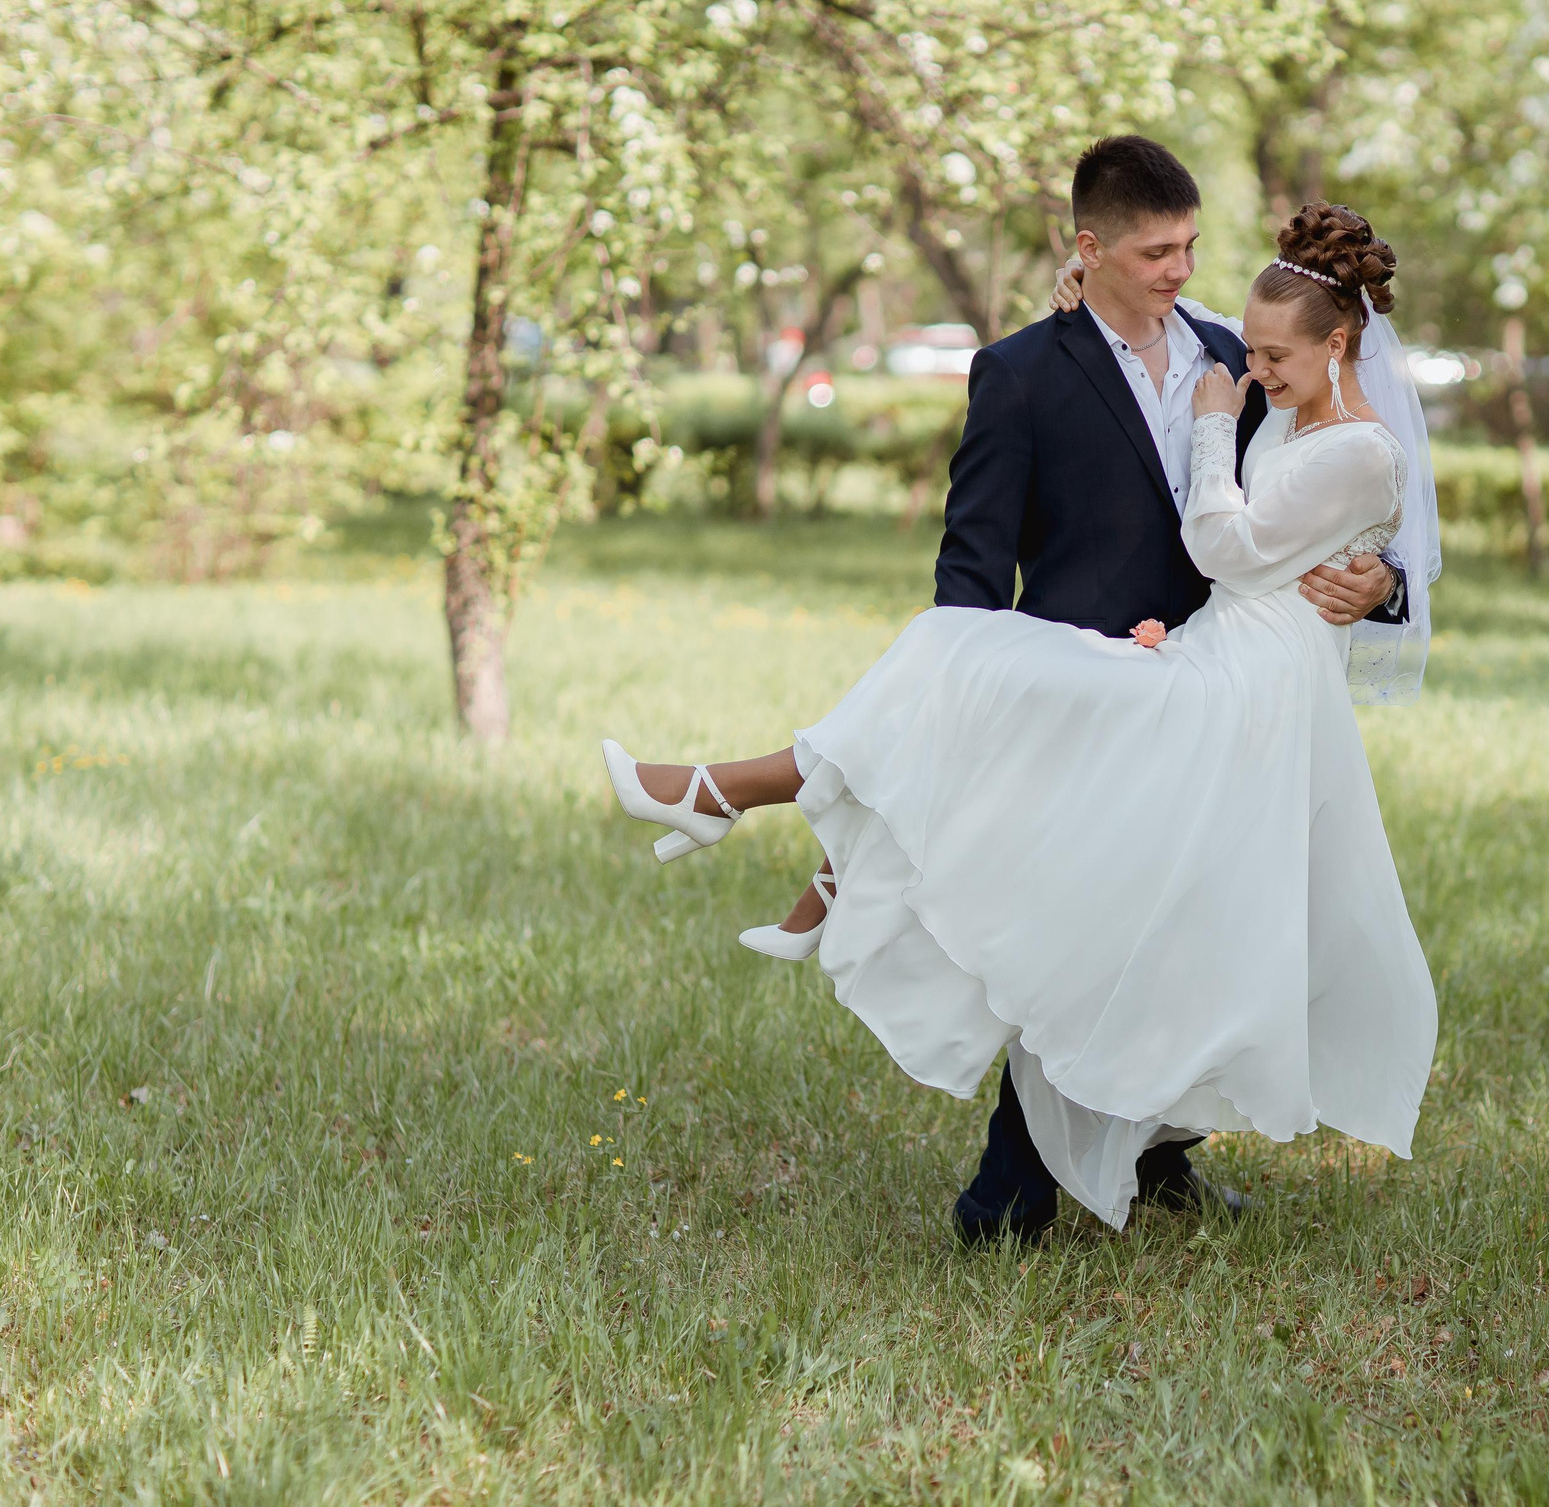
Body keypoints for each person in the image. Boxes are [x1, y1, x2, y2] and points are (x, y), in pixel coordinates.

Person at [603, 141, 1439, 1242]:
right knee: (1076, 932)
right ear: (1086, 250)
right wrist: (953, 720)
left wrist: (1384, 579)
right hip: (1089, 678)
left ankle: (1144, 1156)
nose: (1180, 269)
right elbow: (970, 567)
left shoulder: (1245, 358)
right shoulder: (1022, 370)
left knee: (1191, 928)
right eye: (1156, 250)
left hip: (1209, 681)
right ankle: (1009, 1196)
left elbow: (1331, 503)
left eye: (1189, 246)